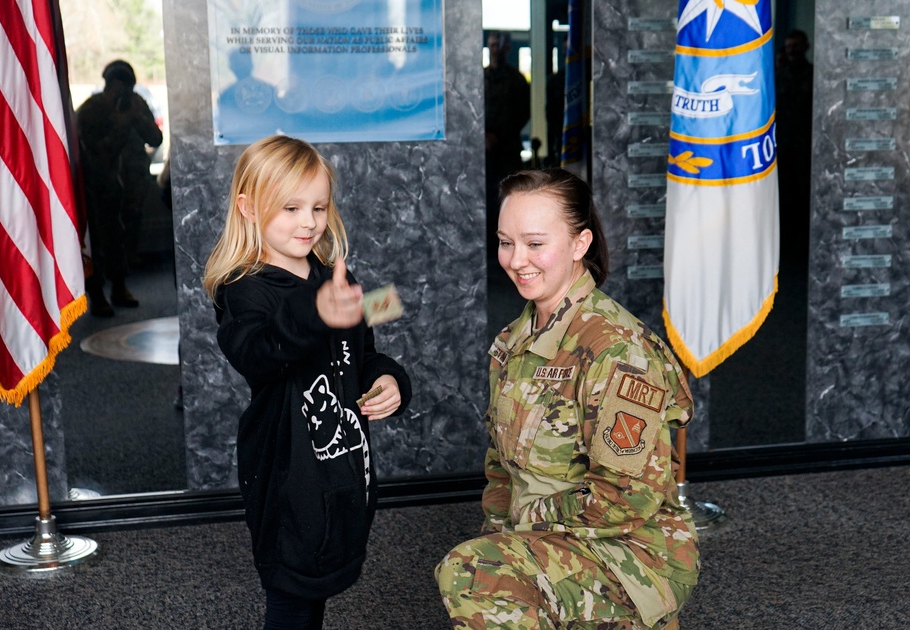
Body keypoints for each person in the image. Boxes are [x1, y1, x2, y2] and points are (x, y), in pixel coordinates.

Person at [436, 168, 698, 629]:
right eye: (506, 242)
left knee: (472, 573)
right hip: (553, 536)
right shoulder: (512, 342)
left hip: (629, 553)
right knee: (484, 568)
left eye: (535, 243)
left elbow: (626, 498)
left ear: (580, 245)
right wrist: (501, 534)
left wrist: (524, 524)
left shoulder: (617, 350)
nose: (517, 260)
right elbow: (502, 466)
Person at [202, 135, 412, 630]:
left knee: (322, 580)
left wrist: (390, 379)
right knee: (292, 595)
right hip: (286, 471)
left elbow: (365, 350)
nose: (308, 221)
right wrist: (314, 310)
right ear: (248, 207)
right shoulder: (243, 289)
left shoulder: (334, 276)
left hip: (341, 469)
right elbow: (256, 352)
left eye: (318, 207)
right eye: (290, 207)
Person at [76, 60, 162, 316]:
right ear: (111, 85)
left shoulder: (135, 104)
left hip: (123, 184)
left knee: (118, 238)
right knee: (96, 242)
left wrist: (137, 115)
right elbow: (95, 153)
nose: (125, 93)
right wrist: (120, 122)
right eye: (121, 87)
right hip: (95, 187)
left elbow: (155, 139)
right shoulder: (92, 110)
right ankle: (96, 294)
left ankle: (120, 287)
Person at [485, 31, 531, 255]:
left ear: (508, 49)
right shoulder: (479, 78)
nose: (496, 50)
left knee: (508, 201)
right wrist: (483, 136)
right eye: (492, 45)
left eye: (500, 46)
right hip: (482, 153)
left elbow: (523, 114)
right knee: (483, 202)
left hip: (508, 151)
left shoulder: (517, 80)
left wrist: (499, 136)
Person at [775, 29, 814, 267]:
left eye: (796, 46)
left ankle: (802, 245)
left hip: (803, 146)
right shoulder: (779, 76)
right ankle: (786, 245)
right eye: (789, 46)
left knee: (803, 197)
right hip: (782, 145)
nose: (792, 51)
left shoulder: (813, 76)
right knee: (783, 197)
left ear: (806, 47)